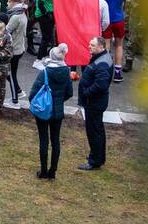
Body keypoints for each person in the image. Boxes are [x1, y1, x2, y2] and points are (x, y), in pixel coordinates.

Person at [30, 43, 74, 180]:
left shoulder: (45, 72)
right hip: (58, 111)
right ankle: (53, 172)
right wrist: (59, 100)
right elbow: (69, 93)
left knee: (44, 140)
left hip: (44, 110)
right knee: (55, 141)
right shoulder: (66, 72)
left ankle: (43, 171)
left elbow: (33, 93)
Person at [77, 36, 113, 171]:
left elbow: (101, 85)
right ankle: (98, 157)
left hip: (94, 103)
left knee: (94, 132)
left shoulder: (102, 63)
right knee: (97, 130)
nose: (89, 46)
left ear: (101, 47)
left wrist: (86, 92)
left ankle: (94, 161)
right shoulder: (102, 58)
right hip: (95, 102)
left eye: (92, 45)